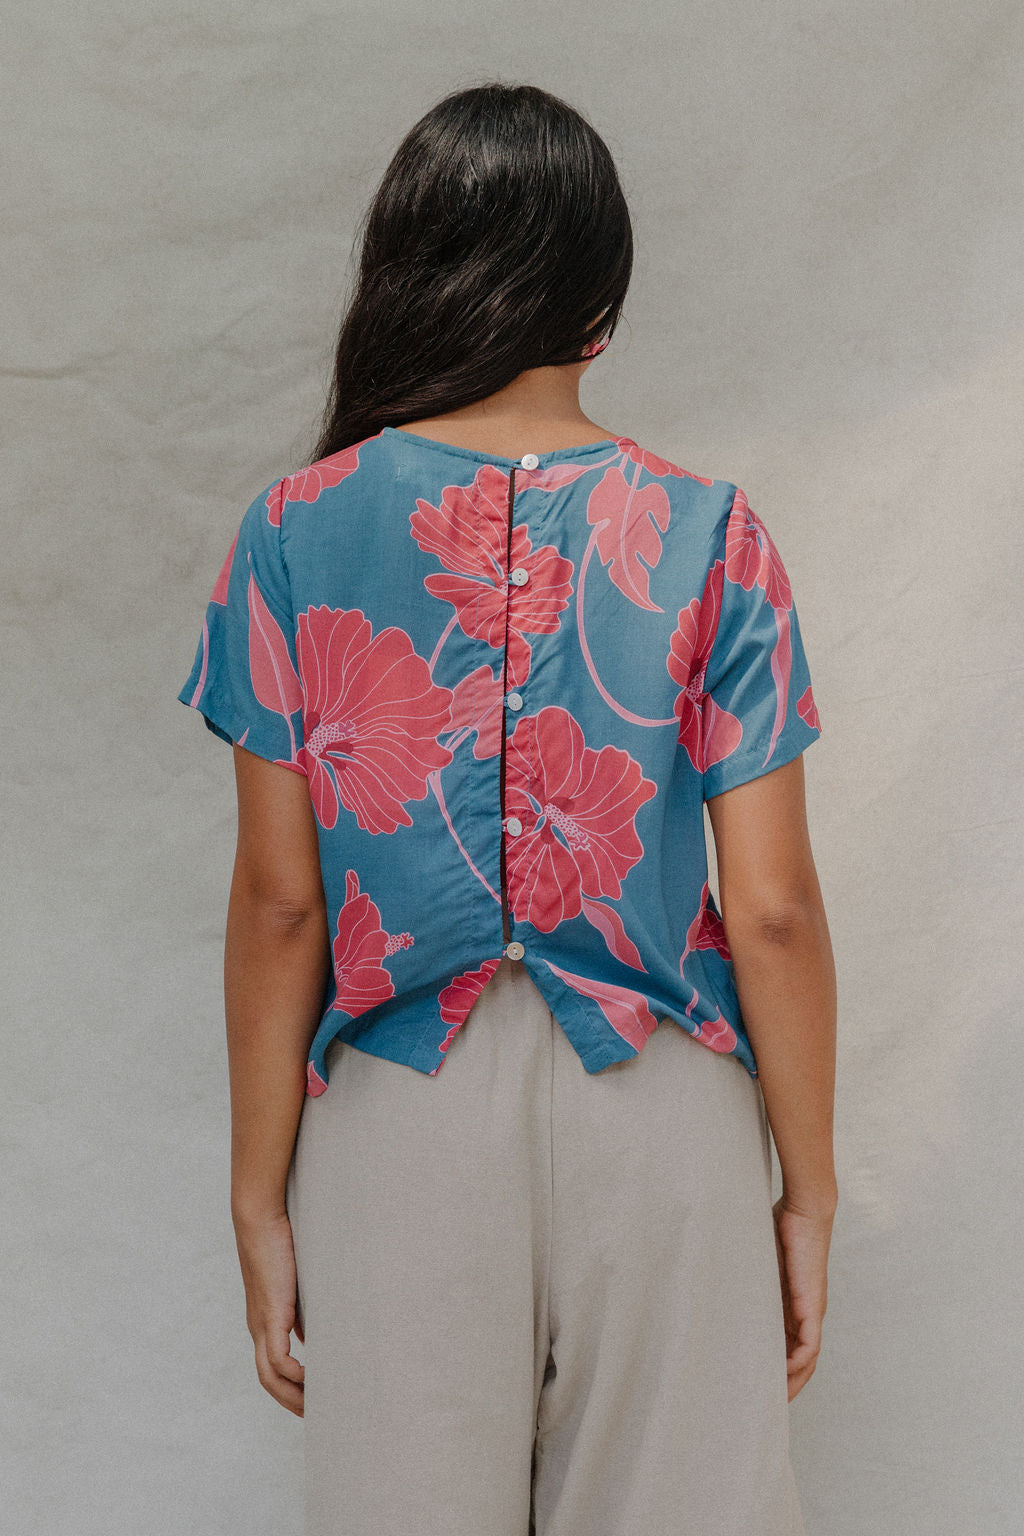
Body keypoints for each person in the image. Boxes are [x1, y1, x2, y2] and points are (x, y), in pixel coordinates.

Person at [176, 80, 837, 1536]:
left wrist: (258, 1192)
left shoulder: (293, 531)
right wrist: (807, 1190)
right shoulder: (714, 533)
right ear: (599, 301)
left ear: (413, 274)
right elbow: (774, 909)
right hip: (658, 1098)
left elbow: (283, 902)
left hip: (402, 1113)